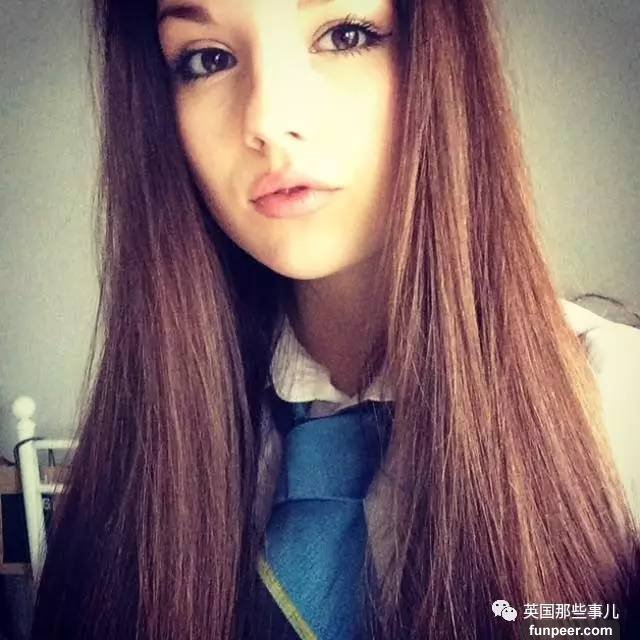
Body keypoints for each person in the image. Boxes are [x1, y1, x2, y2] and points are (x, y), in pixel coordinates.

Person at [30, 0, 640, 638]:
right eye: (208, 59)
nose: (268, 120)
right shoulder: (140, 462)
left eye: (346, 34)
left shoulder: (617, 411)